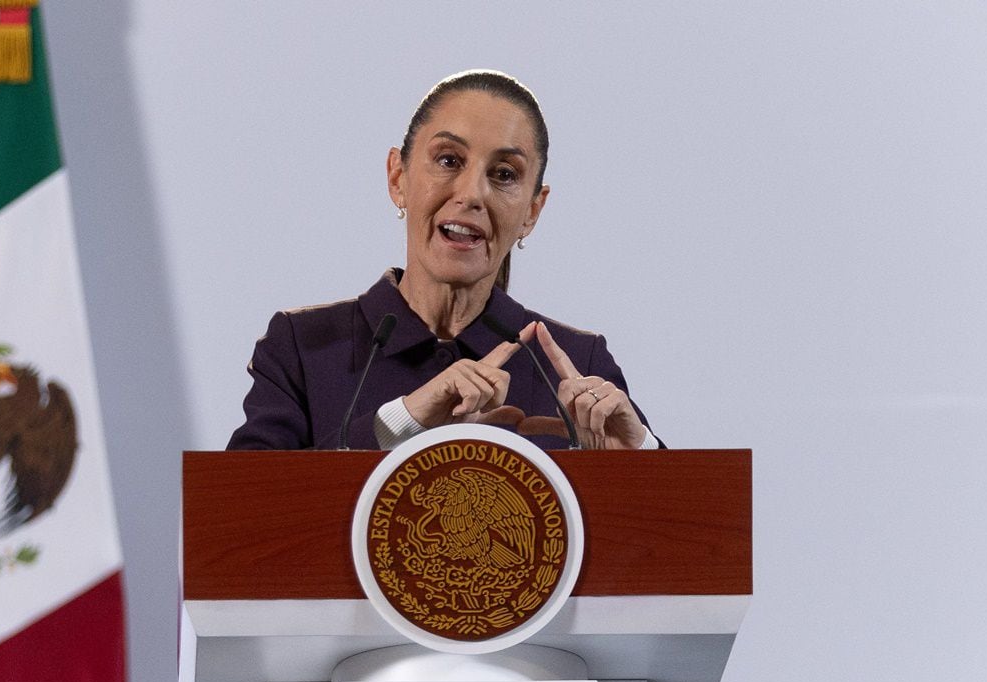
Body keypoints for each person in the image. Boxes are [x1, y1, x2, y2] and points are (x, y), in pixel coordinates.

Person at [227, 70, 661, 452]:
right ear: (398, 178)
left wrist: (637, 456)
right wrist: (401, 422)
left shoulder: (576, 363)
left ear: (532, 210)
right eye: (449, 160)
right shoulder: (304, 348)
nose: (472, 194)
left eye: (504, 174)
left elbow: (679, 529)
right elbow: (237, 515)